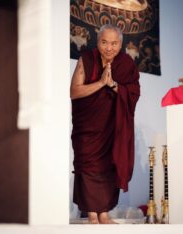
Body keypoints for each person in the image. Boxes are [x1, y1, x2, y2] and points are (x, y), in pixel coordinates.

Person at [70, 24, 140, 224]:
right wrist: (101, 83)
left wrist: (114, 85)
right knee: (88, 165)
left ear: (121, 44)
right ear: (97, 41)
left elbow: (134, 93)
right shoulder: (86, 59)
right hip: (88, 127)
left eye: (114, 43)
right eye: (104, 42)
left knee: (111, 164)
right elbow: (74, 91)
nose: (109, 48)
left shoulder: (127, 64)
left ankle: (104, 213)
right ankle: (92, 213)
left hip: (113, 126)